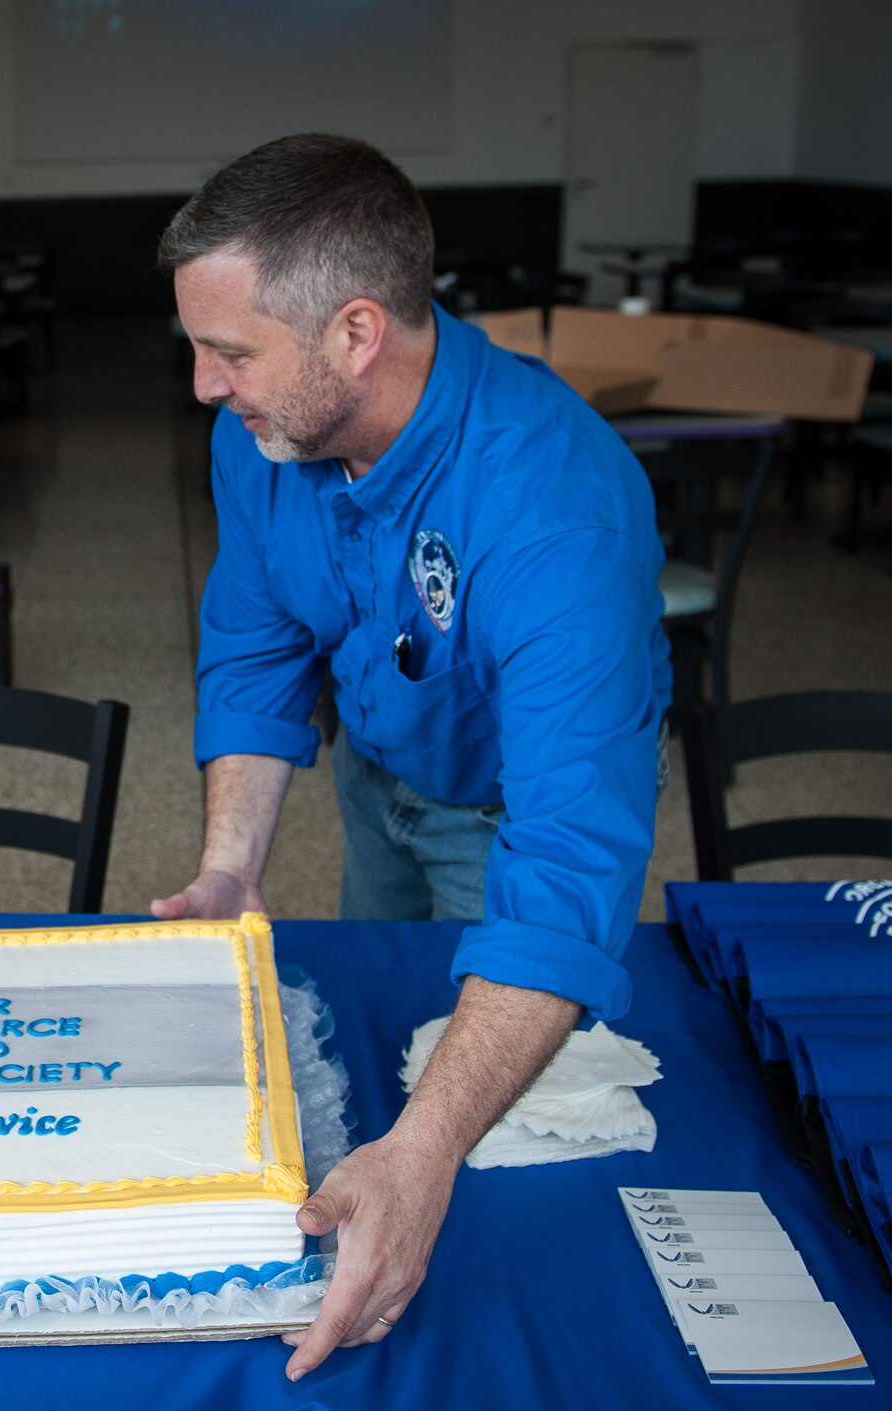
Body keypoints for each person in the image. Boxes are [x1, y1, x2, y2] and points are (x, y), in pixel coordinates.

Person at [151, 134, 670, 1379]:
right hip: (373, 779)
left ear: (355, 332)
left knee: (486, 1146)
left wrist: (426, 1149)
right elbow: (255, 643)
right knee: (376, 1042)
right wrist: (230, 866)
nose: (202, 389)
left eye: (229, 354)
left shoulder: (555, 509)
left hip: (506, 820)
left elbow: (565, 859)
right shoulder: (266, 433)